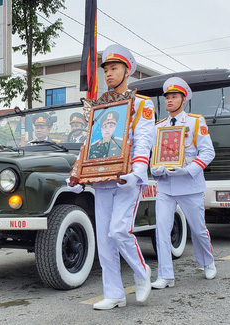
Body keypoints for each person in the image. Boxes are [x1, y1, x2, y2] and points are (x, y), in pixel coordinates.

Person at [68, 44, 156, 310]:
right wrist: (76, 173)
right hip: (102, 181)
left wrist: (137, 172)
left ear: (127, 71)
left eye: (114, 68)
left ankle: (142, 273)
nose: (108, 73)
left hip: (127, 178)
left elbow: (143, 141)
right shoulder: (100, 108)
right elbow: (89, 144)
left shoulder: (142, 104)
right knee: (104, 238)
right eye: (105, 69)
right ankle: (114, 293)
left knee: (119, 230)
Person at [150, 77, 216, 289]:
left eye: (174, 96)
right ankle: (165, 275)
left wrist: (188, 170)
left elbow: (208, 152)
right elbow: (154, 155)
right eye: (167, 97)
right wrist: (155, 169)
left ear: (183, 99)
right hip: (166, 186)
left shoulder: (196, 122)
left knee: (198, 229)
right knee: (161, 229)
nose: (169, 100)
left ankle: (207, 262)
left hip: (189, 183)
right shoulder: (158, 126)